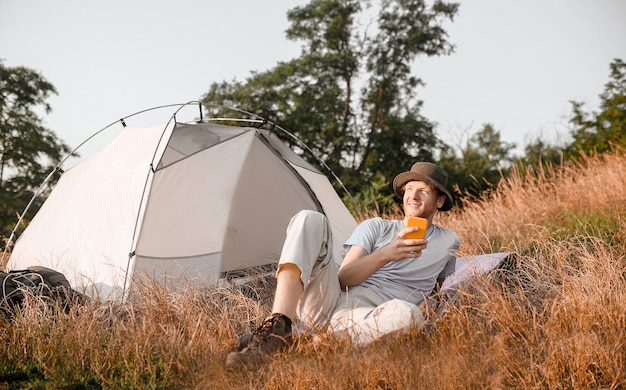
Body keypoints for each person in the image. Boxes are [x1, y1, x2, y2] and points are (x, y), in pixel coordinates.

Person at [225, 162, 460, 369]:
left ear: (439, 200)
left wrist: (431, 306)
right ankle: (276, 327)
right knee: (310, 218)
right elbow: (343, 277)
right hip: (332, 300)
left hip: (373, 315)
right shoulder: (376, 227)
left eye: (423, 191)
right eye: (409, 189)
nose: (413, 196)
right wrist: (386, 254)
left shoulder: (449, 241)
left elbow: (438, 289)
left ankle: (303, 343)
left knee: (410, 315)